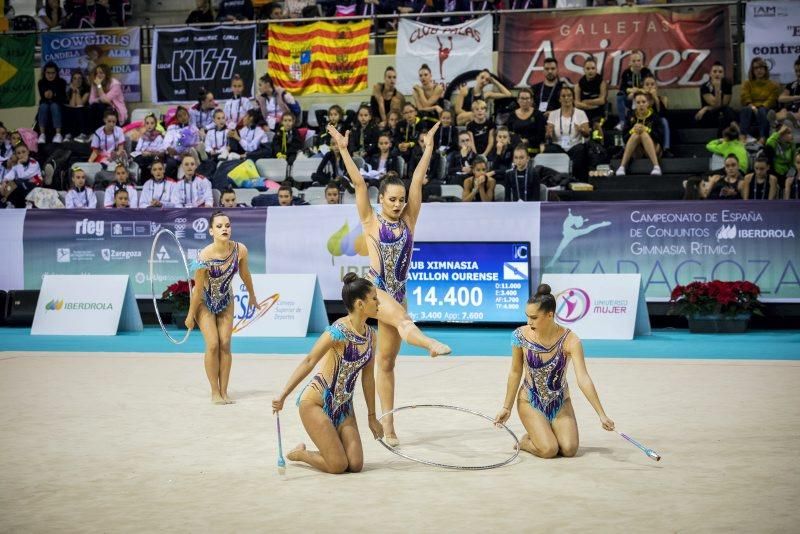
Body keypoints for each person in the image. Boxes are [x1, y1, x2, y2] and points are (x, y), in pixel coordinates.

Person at [329, 123, 452, 445]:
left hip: (398, 292)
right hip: (374, 289)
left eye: (400, 200)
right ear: (380, 198)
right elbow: (357, 182)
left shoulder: (410, 219)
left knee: (385, 362)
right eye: (392, 200)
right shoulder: (370, 219)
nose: (398, 205)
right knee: (403, 321)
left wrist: (427, 150)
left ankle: (389, 425)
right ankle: (429, 344)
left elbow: (417, 183)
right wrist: (343, 148)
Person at [271, 273, 383, 474]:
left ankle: (330, 446)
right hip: (316, 403)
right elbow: (309, 361)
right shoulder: (337, 331)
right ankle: (301, 454)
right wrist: (283, 395)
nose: (378, 302)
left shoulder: (371, 337)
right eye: (374, 298)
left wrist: (372, 416)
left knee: (355, 464)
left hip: (343, 407)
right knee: (338, 466)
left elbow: (368, 378)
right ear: (359, 304)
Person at [494, 284, 615, 458]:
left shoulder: (570, 340)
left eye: (534, 317)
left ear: (550, 315)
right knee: (549, 450)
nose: (529, 322)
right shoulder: (520, 336)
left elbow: (583, 378)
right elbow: (515, 372)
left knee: (569, 449)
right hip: (530, 401)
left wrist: (602, 415)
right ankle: (526, 441)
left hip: (559, 402)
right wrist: (507, 407)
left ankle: (544, 431)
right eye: (527, 317)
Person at [186, 211, 260, 404]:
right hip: (205, 301)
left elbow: (245, 274)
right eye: (219, 226)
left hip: (226, 299)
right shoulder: (204, 256)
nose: (224, 229)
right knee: (213, 344)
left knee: (225, 343)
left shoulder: (240, 250)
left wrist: (252, 296)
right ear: (211, 231)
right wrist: (190, 314)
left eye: (227, 225)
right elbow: (198, 289)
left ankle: (224, 392)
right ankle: (214, 392)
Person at [546, 86, 590, 181]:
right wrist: (549, 133)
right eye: (563, 96)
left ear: (573, 98)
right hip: (558, 145)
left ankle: (578, 180)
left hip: (575, 146)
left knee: (581, 149)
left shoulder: (580, 113)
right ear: (559, 99)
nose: (566, 98)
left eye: (569, 95)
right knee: (550, 148)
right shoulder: (553, 114)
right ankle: (555, 180)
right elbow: (548, 136)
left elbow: (587, 133)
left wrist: (581, 130)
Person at [615, 92, 663, 176]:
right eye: (638, 102)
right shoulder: (630, 115)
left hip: (653, 149)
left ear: (648, 103)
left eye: (643, 102)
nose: (641, 105)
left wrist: (646, 129)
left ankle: (656, 166)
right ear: (635, 104)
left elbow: (660, 137)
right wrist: (632, 130)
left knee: (643, 133)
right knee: (636, 134)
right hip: (637, 151)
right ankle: (622, 167)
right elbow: (624, 138)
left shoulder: (655, 116)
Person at [739, 57, 781, 144]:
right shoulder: (747, 84)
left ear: (765, 70)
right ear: (752, 71)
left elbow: (771, 100)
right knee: (746, 109)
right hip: (751, 108)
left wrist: (761, 107)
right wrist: (753, 107)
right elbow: (745, 97)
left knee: (762, 110)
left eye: (761, 68)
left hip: (765, 109)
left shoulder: (773, 85)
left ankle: (763, 138)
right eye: (756, 68)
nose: (759, 70)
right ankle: (743, 136)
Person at [695, 62, 736, 134]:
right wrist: (717, 88)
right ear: (710, 74)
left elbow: (724, 105)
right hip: (709, 114)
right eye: (714, 71)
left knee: (727, 111)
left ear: (723, 74)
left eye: (720, 72)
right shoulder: (705, 86)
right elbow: (716, 105)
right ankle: (739, 133)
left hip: (723, 112)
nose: (717, 74)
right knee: (726, 115)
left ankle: (723, 139)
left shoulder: (727, 85)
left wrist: (706, 108)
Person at [616, 50, 652, 129]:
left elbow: (651, 86)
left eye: (638, 61)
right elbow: (622, 87)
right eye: (634, 61)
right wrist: (631, 90)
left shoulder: (646, 72)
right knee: (619, 96)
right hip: (630, 98)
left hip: (643, 98)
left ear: (642, 61)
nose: (636, 63)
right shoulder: (626, 72)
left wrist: (637, 91)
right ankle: (622, 121)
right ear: (630, 62)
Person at [507, 88, 546, 156]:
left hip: (533, 149)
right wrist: (518, 140)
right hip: (516, 149)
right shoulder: (512, 115)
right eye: (522, 98)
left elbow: (541, 135)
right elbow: (509, 133)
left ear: (531, 100)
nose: (525, 101)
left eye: (527, 98)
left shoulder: (538, 115)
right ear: (518, 100)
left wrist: (527, 141)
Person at [88, 64, 127, 130]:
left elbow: (105, 100)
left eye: (101, 73)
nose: (98, 75)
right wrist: (99, 99)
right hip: (102, 108)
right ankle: (95, 132)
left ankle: (103, 132)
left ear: (106, 74)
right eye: (96, 73)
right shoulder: (95, 83)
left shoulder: (115, 84)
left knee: (101, 106)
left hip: (115, 111)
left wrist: (99, 86)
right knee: (93, 106)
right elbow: (91, 101)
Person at [37, 62, 67, 144]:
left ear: (56, 73)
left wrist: (53, 94)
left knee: (54, 105)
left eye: (53, 73)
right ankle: (42, 134)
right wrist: (49, 95)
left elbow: (62, 97)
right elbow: (43, 96)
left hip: (58, 105)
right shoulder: (41, 82)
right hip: (45, 104)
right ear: (44, 73)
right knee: (43, 106)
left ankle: (58, 134)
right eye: (48, 73)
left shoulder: (62, 82)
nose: (50, 75)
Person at [642, 75, 672, 157]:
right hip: (643, 122)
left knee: (664, 121)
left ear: (656, 86)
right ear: (643, 86)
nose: (650, 87)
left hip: (656, 123)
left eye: (652, 84)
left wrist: (655, 98)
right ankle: (624, 149)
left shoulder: (662, 99)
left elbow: (663, 115)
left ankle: (666, 149)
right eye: (647, 84)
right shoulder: (640, 99)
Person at [131, 113, 165, 183]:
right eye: (147, 123)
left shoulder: (159, 136)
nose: (149, 125)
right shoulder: (143, 136)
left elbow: (161, 151)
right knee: (138, 159)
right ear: (145, 125)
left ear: (155, 124)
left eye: (152, 123)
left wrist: (150, 153)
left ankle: (147, 181)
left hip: (155, 156)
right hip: (143, 156)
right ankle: (144, 182)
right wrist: (143, 152)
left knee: (152, 159)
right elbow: (137, 149)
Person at [575, 56, 608, 126]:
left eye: (593, 68)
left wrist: (586, 102)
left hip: (599, 113)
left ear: (596, 70)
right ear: (584, 70)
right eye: (588, 68)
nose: (590, 71)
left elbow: (602, 100)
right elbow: (577, 103)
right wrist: (591, 106)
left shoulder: (602, 82)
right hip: (584, 112)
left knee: (597, 127)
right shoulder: (579, 84)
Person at [63, 69, 90, 142]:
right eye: (74, 78)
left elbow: (80, 104)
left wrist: (77, 92)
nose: (77, 80)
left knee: (79, 109)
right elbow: (72, 105)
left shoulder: (87, 89)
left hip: (84, 114)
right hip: (73, 116)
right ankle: (68, 134)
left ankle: (83, 134)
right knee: (67, 109)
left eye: (79, 78)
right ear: (72, 80)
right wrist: (74, 91)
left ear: (82, 80)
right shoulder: (69, 91)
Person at [776, 57, 800, 127]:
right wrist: (795, 97)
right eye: (796, 71)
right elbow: (780, 98)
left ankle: (791, 118)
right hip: (792, 109)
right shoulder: (792, 84)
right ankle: (792, 118)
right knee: (783, 110)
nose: (798, 74)